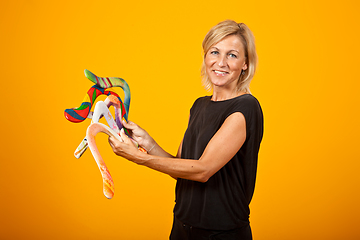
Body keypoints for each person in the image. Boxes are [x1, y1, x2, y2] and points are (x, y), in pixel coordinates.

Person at [108, 19, 263, 240]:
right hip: (182, 227)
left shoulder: (245, 107)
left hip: (221, 233)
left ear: (245, 64)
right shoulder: (199, 105)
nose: (221, 62)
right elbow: (180, 168)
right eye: (215, 52)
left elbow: (202, 170)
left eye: (232, 55)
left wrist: (138, 158)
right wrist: (148, 143)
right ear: (205, 57)